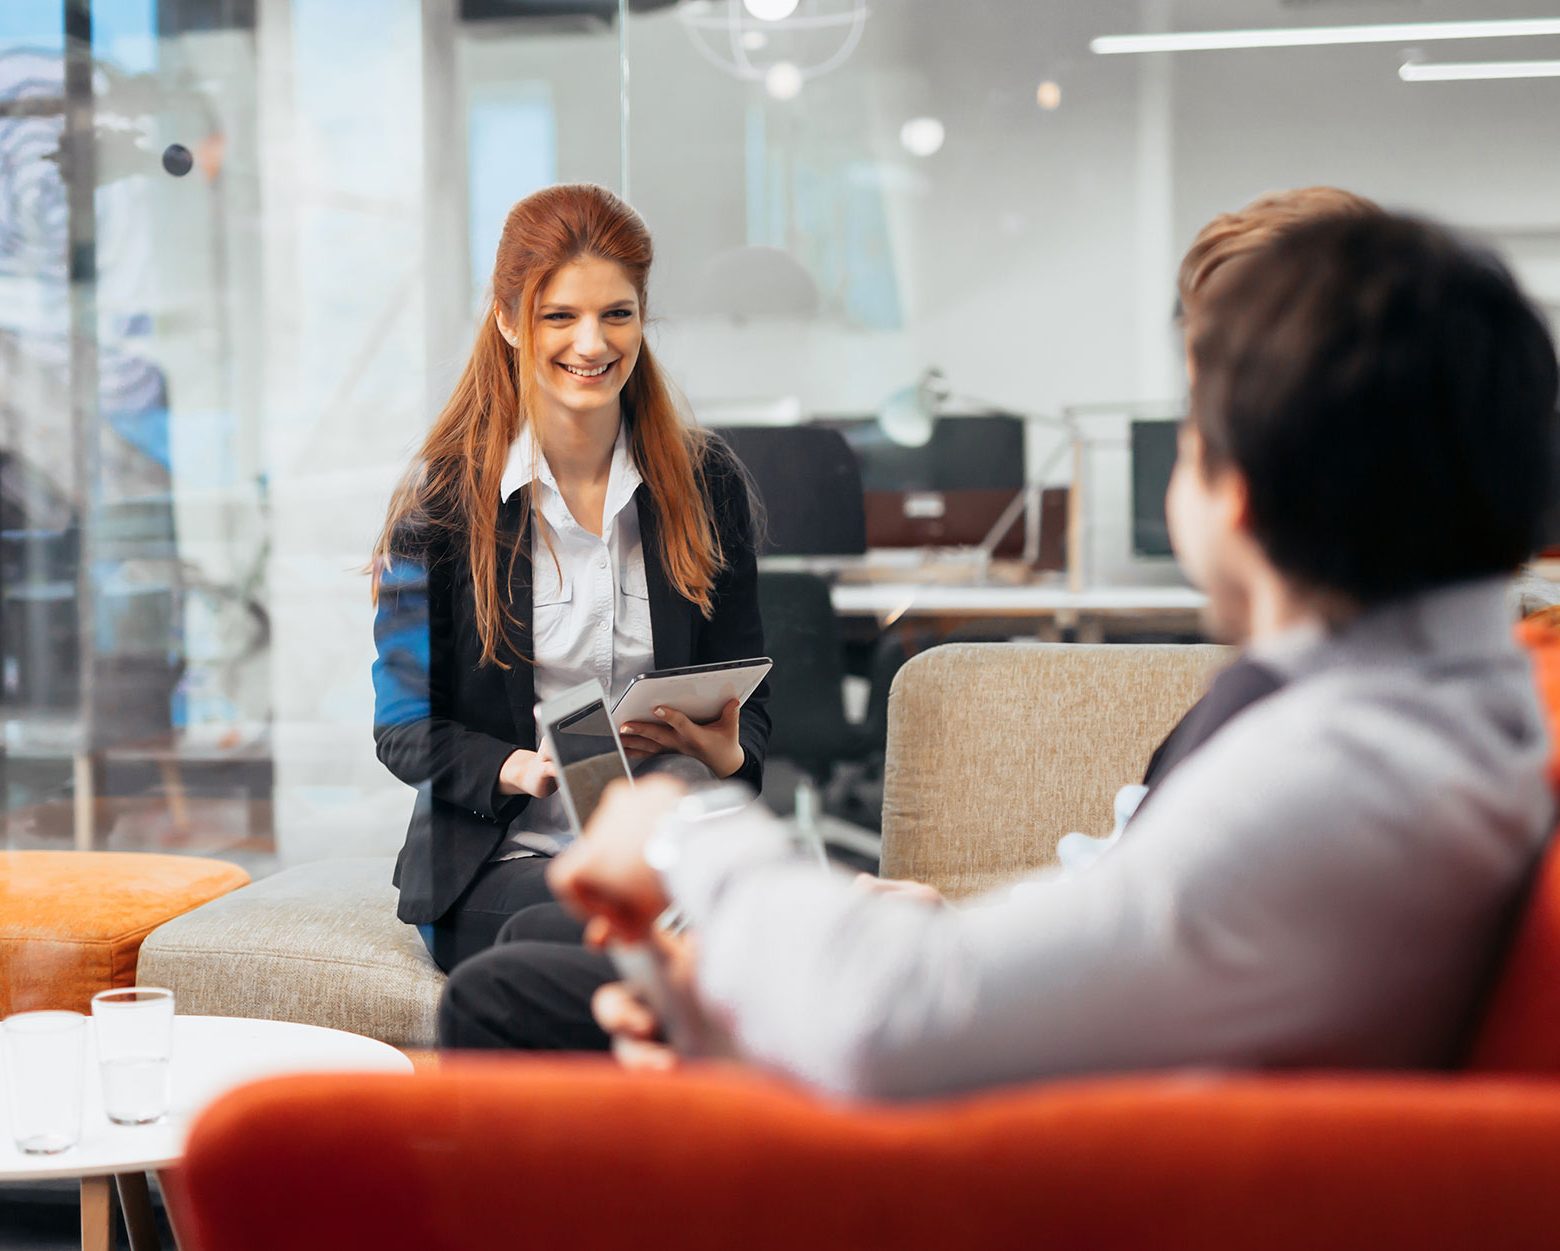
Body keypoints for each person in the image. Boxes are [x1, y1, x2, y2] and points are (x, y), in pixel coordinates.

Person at [551, 211, 1559, 1098]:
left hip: (1039, 1169)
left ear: (1234, 490)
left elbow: (890, 1020)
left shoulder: (1343, 775)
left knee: (522, 1001)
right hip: (1069, 1104)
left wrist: (685, 834)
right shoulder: (1452, 716)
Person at [435, 185, 1386, 1050]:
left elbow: (995, 995)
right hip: (526, 842)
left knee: (509, 992)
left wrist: (687, 835)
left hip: (998, 1049)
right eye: (558, 315)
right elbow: (1124, 911)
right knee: (528, 966)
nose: (590, 342)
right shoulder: (1323, 703)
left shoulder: (1315, 743)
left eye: (1198, 419)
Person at [371, 183, 769, 974]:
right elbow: (404, 726)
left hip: (668, 847)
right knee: (611, 936)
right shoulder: (447, 505)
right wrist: (521, 766)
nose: (592, 344)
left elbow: (754, 713)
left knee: (727, 921)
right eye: (561, 316)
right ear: (510, 319)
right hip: (503, 861)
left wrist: (721, 750)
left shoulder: (705, 482)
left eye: (616, 314)